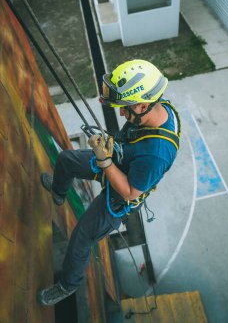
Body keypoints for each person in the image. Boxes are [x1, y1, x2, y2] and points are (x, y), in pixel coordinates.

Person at [37, 59, 181, 306]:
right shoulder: (157, 108)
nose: (122, 113)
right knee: (67, 159)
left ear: (144, 104)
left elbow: (129, 192)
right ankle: (59, 191)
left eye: (125, 108)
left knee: (82, 237)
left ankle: (67, 286)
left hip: (121, 191)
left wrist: (105, 162)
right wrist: (109, 154)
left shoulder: (156, 154)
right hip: (118, 159)